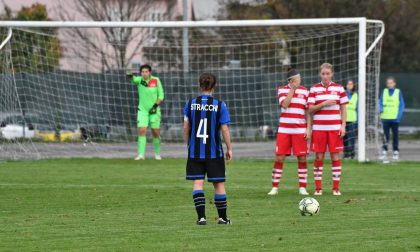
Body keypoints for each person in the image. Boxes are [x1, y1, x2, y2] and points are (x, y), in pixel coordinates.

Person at [183, 73, 233, 225]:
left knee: (198, 183)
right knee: (218, 184)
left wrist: (188, 144)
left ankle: (201, 218)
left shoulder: (190, 103)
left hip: (195, 151)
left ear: (200, 85)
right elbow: (224, 129)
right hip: (214, 152)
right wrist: (229, 148)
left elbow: (186, 127)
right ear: (214, 86)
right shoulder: (220, 105)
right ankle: (223, 218)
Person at [267, 68, 311, 196]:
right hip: (284, 130)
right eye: (298, 78)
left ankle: (302, 188)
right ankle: (274, 187)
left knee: (302, 159)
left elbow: (308, 112)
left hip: (300, 130)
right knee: (279, 158)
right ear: (291, 80)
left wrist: (308, 128)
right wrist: (292, 89)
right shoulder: (282, 89)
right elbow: (285, 104)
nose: (300, 80)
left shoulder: (305, 91)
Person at [307, 63, 348, 196]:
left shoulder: (339, 88)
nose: (325, 76)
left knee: (335, 156)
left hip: (334, 128)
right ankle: (318, 188)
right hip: (319, 129)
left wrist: (343, 125)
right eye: (323, 74)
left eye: (328, 74)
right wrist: (323, 103)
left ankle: (336, 188)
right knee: (319, 156)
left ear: (332, 74)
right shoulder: (314, 89)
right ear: (320, 74)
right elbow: (310, 109)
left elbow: (343, 108)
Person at [128, 64, 164, 160]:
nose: (144, 73)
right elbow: (133, 79)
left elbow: (161, 96)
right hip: (142, 111)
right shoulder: (140, 80)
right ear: (141, 73)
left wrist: (155, 106)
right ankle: (141, 155)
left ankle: (157, 154)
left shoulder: (156, 80)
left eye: (146, 71)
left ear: (150, 72)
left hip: (154, 111)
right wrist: (129, 74)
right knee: (142, 130)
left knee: (155, 132)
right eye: (142, 72)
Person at [379, 76, 405, 161]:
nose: (389, 84)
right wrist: (380, 109)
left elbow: (402, 105)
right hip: (385, 118)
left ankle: (395, 151)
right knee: (385, 136)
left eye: (391, 83)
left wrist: (399, 116)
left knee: (395, 136)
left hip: (395, 119)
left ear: (394, 83)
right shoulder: (384, 91)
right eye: (388, 83)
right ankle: (384, 151)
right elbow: (380, 102)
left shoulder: (398, 92)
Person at [343, 80, 358, 159]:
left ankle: (352, 154)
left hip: (353, 119)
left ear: (353, 85)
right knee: (344, 138)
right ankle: (346, 154)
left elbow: (358, 108)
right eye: (348, 84)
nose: (349, 85)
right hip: (343, 120)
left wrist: (358, 121)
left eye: (351, 84)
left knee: (352, 138)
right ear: (346, 85)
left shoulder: (356, 95)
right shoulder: (342, 94)